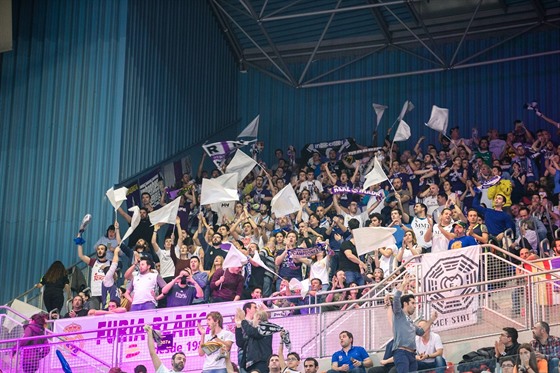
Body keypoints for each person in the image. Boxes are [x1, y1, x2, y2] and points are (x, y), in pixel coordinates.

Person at [392, 274, 438, 373]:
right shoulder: (399, 314)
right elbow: (396, 298)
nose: (415, 306)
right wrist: (404, 284)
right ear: (405, 304)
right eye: (413, 303)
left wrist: (432, 319)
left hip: (412, 355)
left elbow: (421, 332)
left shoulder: (410, 321)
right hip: (401, 352)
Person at [235, 308, 273, 373]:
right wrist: (238, 327)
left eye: (254, 318)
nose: (253, 321)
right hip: (250, 364)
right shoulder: (253, 333)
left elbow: (252, 332)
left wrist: (243, 320)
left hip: (261, 362)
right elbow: (240, 343)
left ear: (258, 317)